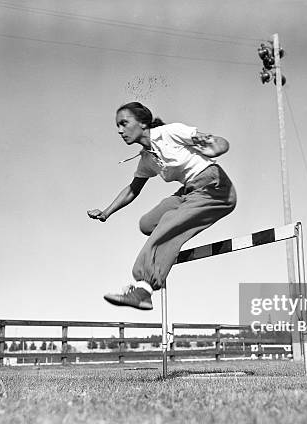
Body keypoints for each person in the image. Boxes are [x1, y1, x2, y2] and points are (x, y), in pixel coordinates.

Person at [87, 102, 237, 310]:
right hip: (190, 191)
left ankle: (143, 289)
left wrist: (217, 147)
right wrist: (106, 212)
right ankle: (164, 249)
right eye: (117, 126)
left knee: (169, 223)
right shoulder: (147, 159)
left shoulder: (170, 133)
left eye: (124, 123)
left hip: (215, 187)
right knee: (148, 224)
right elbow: (132, 189)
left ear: (141, 123)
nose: (120, 131)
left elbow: (216, 141)